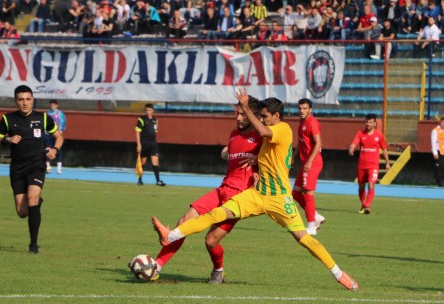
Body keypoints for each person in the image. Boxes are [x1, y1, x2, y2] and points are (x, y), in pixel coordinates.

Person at [153, 90, 359, 290]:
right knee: (217, 212)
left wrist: (245, 107)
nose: (262, 119)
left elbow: (262, 131)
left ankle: (340, 275)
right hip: (257, 194)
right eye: (259, 115)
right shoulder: (266, 137)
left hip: (279, 199)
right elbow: (268, 151)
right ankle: (170, 236)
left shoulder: (283, 129)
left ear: (276, 116)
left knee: (305, 240)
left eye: (265, 116)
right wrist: (255, 159)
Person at [151, 96, 262, 283]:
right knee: (183, 220)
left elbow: (281, 159)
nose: (239, 118)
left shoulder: (262, 138)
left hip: (238, 200)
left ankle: (218, 270)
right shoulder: (234, 134)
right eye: (238, 113)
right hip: (222, 190)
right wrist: (226, 152)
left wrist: (258, 163)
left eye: (243, 114)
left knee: (210, 241)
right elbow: (230, 152)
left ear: (253, 115)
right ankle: (156, 267)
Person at [0, 85, 64, 254]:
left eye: (28, 99)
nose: (25, 103)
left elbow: (59, 136)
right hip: (17, 168)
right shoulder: (7, 119)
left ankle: (33, 246)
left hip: (37, 166)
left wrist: (54, 150)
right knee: (22, 212)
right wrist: (7, 140)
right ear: (16, 101)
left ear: (33, 100)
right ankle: (36, 204)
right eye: (21, 100)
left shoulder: (43, 118)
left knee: (32, 198)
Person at [291, 99, 326, 236]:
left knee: (307, 193)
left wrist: (310, 161)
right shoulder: (301, 123)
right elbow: (301, 143)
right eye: (300, 108)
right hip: (305, 162)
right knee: (295, 193)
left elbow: (318, 143)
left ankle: (311, 225)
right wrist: (294, 156)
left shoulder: (312, 123)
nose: (301, 111)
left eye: (304, 108)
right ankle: (315, 215)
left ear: (310, 109)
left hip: (313, 163)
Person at [348, 114, 390, 214]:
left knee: (371, 185)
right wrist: (351, 148)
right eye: (367, 122)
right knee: (361, 187)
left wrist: (387, 163)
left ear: (374, 123)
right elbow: (354, 142)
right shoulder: (360, 133)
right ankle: (363, 204)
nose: (368, 124)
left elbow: (384, 149)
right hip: (361, 165)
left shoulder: (379, 135)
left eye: (371, 122)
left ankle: (367, 206)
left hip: (373, 165)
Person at [135, 103, 166, 186]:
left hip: (153, 144)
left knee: (155, 161)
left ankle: (158, 181)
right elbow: (137, 132)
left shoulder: (155, 120)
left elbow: (155, 132)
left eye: (149, 110)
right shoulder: (141, 119)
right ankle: (139, 180)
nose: (148, 112)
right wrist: (138, 145)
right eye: (147, 110)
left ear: (153, 111)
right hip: (144, 144)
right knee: (143, 162)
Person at [46, 99, 66, 174]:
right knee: (48, 149)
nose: (52, 106)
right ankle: (48, 166)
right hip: (48, 134)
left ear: (56, 105)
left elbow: (63, 122)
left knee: (58, 149)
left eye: (54, 104)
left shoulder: (59, 113)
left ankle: (59, 168)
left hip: (57, 134)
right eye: (51, 105)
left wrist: (61, 130)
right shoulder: (48, 113)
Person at [431, 117, 444, 187]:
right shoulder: (435, 131)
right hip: (439, 151)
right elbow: (433, 142)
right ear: (440, 123)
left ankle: (441, 179)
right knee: (440, 167)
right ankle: (439, 182)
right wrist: (435, 152)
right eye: (442, 123)